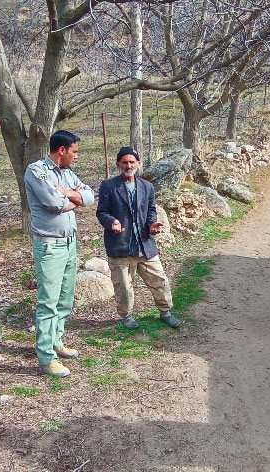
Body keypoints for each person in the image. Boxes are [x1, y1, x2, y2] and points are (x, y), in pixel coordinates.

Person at [24, 130, 95, 378]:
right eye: (74, 151)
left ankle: (57, 341)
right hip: (49, 245)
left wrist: (68, 194)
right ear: (62, 150)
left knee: (65, 298)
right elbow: (53, 203)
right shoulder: (37, 171)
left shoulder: (66, 173)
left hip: (69, 243)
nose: (76, 156)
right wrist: (72, 198)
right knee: (48, 301)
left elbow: (90, 195)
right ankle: (46, 357)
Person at [96, 147, 181, 330]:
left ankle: (166, 312)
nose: (128, 165)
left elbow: (151, 210)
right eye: (125, 162)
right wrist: (112, 222)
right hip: (120, 246)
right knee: (123, 287)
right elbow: (102, 212)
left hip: (145, 244)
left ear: (138, 164)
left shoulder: (147, 186)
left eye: (132, 162)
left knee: (159, 280)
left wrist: (152, 225)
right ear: (118, 164)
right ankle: (127, 316)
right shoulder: (109, 186)